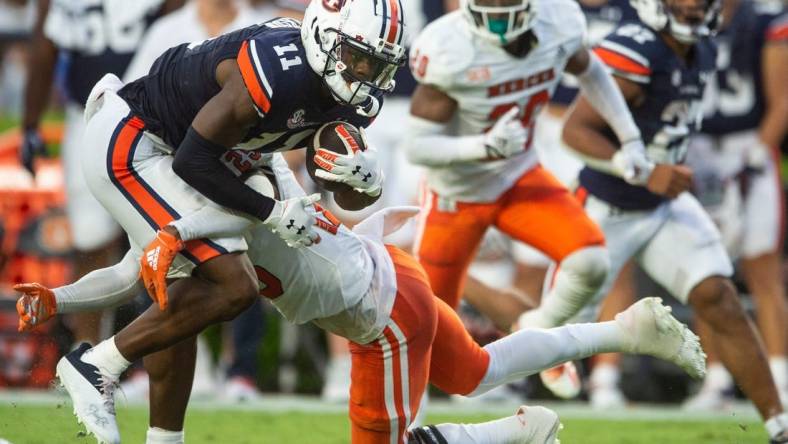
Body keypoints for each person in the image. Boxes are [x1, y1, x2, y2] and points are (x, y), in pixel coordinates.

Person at [16, 153, 707, 444]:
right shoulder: (214, 189)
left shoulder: (227, 199)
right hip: (387, 274)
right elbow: (135, 269)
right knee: (474, 371)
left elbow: (231, 219)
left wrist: (178, 228)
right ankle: (624, 329)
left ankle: (513, 433)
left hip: (382, 316)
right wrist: (63, 293)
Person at [50, 0, 404, 441]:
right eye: (357, 57)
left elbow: (332, 177)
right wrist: (272, 212)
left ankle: (162, 437)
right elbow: (192, 160)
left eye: (376, 64)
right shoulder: (277, 71)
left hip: (209, 154)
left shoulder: (348, 88)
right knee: (233, 285)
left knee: (185, 297)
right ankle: (96, 364)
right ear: (324, 37)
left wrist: (365, 181)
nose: (364, 73)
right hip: (136, 143)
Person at [560, 0, 788, 440]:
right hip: (607, 206)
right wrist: (646, 170)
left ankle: (780, 425)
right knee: (555, 330)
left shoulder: (700, 45)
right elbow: (576, 130)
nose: (692, 7)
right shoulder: (635, 47)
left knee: (719, 295)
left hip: (662, 204)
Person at [20, 0, 183, 346]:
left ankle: (167, 348)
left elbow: (181, 31)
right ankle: (88, 349)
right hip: (90, 114)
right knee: (91, 238)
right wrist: (30, 124)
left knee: (170, 236)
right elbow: (45, 45)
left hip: (157, 118)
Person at [682, 0, 788, 409]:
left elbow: (781, 98)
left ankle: (778, 376)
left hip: (749, 146)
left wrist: (762, 148)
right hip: (698, 151)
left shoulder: (762, 16)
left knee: (763, 267)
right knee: (705, 272)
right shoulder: (682, 14)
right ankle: (717, 379)